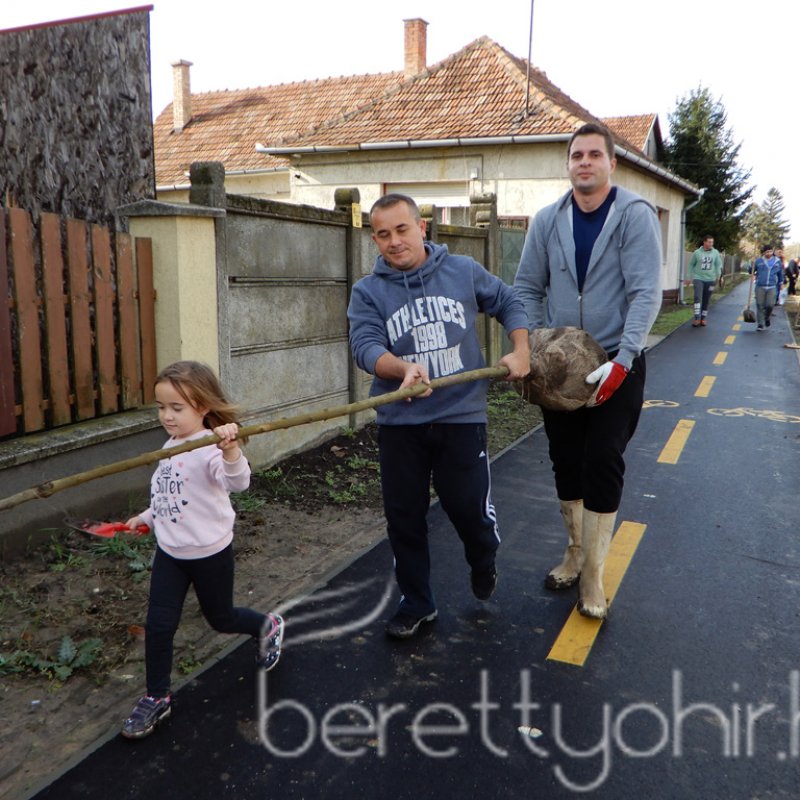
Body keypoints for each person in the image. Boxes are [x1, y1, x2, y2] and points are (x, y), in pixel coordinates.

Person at [347, 193, 531, 639]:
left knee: (469, 510)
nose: (394, 241)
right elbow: (365, 346)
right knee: (404, 517)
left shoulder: (462, 271)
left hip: (461, 415)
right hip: (400, 423)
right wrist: (400, 368)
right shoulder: (368, 291)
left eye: (402, 229)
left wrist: (522, 349)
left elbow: (509, 301)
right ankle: (417, 603)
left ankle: (483, 555)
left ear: (422, 227)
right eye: (383, 234)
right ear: (374, 239)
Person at [514, 122, 662, 619]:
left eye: (594, 154)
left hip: (616, 366)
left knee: (603, 458)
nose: (584, 162)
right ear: (569, 164)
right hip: (560, 371)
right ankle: (574, 551)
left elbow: (645, 293)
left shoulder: (635, 216)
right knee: (565, 459)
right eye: (577, 155)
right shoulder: (545, 221)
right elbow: (526, 288)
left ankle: (594, 574)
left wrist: (623, 361)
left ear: (611, 163)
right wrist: (540, 346)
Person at [121, 361, 284, 739]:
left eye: (177, 408)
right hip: (171, 553)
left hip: (210, 553)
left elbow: (239, 482)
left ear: (203, 407)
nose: (167, 416)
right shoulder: (170, 445)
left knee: (221, 618)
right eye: (161, 407)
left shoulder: (211, 448)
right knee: (159, 626)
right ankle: (157, 696)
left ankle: (267, 625)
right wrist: (146, 517)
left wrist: (230, 449)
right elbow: (168, 493)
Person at [685, 234, 723, 326]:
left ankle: (703, 318)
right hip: (698, 278)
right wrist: (688, 276)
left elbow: (718, 265)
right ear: (704, 242)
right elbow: (691, 265)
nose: (711, 244)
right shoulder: (697, 253)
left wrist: (719, 276)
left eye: (712, 242)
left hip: (710, 280)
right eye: (709, 242)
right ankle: (697, 317)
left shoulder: (715, 253)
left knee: (706, 299)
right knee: (698, 297)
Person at [752, 245, 784, 330]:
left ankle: (766, 318)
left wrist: (781, 283)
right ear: (763, 252)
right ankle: (760, 324)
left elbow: (780, 273)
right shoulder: (759, 261)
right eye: (767, 252)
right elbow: (751, 270)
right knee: (760, 305)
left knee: (770, 305)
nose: (769, 253)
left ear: (772, 251)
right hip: (760, 286)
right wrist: (752, 264)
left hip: (772, 286)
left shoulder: (777, 261)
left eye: (770, 251)